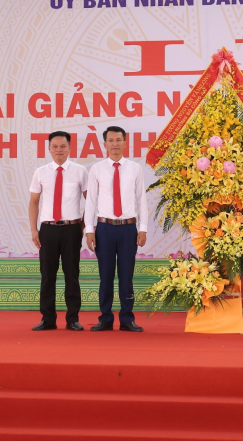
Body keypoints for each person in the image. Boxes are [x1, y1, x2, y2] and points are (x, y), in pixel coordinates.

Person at [84, 126, 148, 332]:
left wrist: (143, 228)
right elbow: (90, 201)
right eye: (110, 140)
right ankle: (105, 318)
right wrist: (89, 230)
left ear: (125, 142)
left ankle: (127, 318)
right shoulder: (97, 169)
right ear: (105, 144)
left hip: (129, 228)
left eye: (118, 140)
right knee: (106, 274)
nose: (115, 144)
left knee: (126, 274)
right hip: (104, 227)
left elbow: (141, 199)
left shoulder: (134, 168)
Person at [28, 131, 88, 331]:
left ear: (69, 147)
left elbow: (92, 201)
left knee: (72, 274)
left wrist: (83, 225)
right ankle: (48, 319)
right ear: (49, 149)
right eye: (55, 146)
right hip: (48, 230)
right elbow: (34, 202)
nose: (59, 150)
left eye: (63, 146)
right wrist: (34, 230)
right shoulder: (41, 172)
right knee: (47, 275)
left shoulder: (80, 171)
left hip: (72, 229)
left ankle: (72, 319)